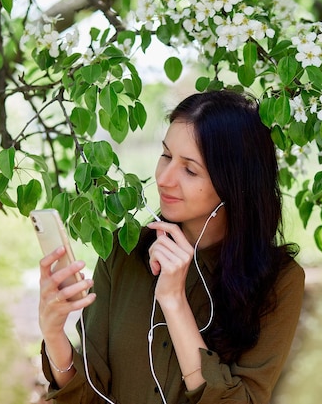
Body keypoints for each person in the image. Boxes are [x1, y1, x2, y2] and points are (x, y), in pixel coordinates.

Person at [38, 89, 305, 404]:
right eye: (165, 156)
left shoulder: (279, 281)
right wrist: (54, 335)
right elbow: (90, 395)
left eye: (190, 170)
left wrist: (174, 301)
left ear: (234, 183)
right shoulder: (123, 252)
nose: (164, 178)